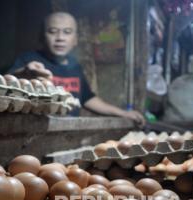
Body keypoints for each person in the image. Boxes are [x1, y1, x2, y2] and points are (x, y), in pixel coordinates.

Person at [8, 12, 145, 125]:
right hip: (34, 129)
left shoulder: (75, 66)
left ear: (75, 39)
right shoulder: (29, 59)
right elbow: (5, 86)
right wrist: (24, 73)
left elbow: (87, 99)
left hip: (66, 131)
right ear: (43, 37)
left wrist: (123, 113)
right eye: (52, 31)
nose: (60, 38)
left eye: (67, 32)